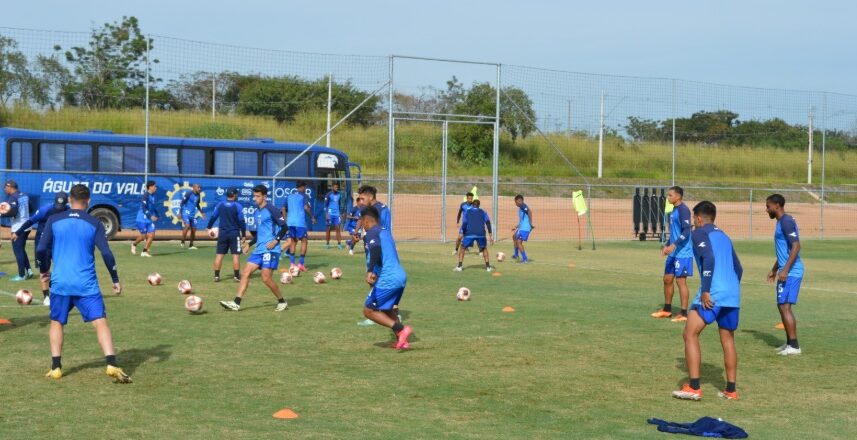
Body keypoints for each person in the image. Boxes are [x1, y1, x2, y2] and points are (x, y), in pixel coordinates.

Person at [36, 184, 131, 383]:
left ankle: (56, 367)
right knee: (100, 321)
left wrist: (43, 269)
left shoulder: (54, 220)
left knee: (57, 322)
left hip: (61, 282)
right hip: (86, 284)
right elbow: (106, 253)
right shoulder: (94, 222)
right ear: (88, 201)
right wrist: (115, 279)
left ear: (70, 200)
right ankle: (111, 363)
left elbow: (41, 248)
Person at [673, 201, 742, 401]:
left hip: (713, 293)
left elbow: (709, 258)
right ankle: (731, 389)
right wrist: (731, 289)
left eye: (694, 218)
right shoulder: (725, 236)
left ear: (699, 218)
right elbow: (739, 268)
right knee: (728, 339)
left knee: (690, 334)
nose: (693, 222)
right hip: (732, 294)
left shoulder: (699, 233)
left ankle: (694, 387)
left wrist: (706, 291)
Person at [220, 185, 289, 312]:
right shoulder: (257, 211)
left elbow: (284, 227)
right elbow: (261, 233)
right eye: (254, 196)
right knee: (245, 273)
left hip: (270, 250)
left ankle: (282, 301)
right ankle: (236, 303)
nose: (255, 198)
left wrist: (276, 241)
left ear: (264, 196)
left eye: (258, 196)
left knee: (266, 278)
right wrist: (249, 244)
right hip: (259, 250)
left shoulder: (272, 209)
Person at [360, 205, 412, 350]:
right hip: (400, 276)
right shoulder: (386, 232)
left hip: (389, 278)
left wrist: (370, 270)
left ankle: (401, 329)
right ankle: (402, 341)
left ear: (366, 221)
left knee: (368, 310)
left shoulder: (371, 232)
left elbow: (375, 249)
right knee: (387, 309)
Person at [765, 194, 804, 356]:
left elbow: (796, 246)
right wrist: (775, 269)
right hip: (785, 270)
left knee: (784, 306)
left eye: (768, 206)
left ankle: (794, 346)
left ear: (777, 205)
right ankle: (789, 343)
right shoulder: (781, 222)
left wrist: (786, 270)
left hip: (792, 272)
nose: (766, 209)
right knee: (782, 306)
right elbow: (784, 251)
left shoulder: (786, 221)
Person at [16, 191, 70, 305]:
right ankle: (46, 297)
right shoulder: (45, 210)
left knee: (62, 269)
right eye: (57, 206)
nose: (59, 209)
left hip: (59, 244)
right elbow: (31, 220)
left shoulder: (69, 211)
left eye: (62, 207)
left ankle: (55, 286)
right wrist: (18, 232)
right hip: (43, 244)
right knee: (44, 271)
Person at [652, 186, 694, 322]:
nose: (667, 197)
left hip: (683, 252)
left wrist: (674, 245)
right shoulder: (673, 210)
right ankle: (667, 310)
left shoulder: (683, 210)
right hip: (673, 252)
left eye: (670, 195)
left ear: (678, 197)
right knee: (667, 279)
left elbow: (686, 232)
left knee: (680, 281)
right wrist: (666, 245)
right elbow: (675, 232)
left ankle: (683, 313)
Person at [207, 188, 246, 282]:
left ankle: (216, 276)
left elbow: (213, 217)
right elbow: (241, 221)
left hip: (223, 234)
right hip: (234, 233)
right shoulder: (238, 206)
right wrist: (244, 235)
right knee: (235, 256)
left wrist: (209, 227)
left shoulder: (220, 204)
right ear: (235, 195)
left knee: (219, 255)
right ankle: (236, 276)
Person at [2, 180, 34, 281]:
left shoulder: (13, 197)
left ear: (10, 187)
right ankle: (29, 270)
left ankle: (21, 275)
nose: (4, 189)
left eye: (5, 187)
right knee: (21, 249)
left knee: (18, 251)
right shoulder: (24, 195)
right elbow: (31, 208)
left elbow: (14, 212)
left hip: (18, 228)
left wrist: (2, 213)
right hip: (27, 226)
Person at [283, 181, 316, 272]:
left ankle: (292, 265)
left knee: (293, 242)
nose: (305, 189)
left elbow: (283, 208)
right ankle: (301, 264)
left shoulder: (289, 196)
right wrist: (312, 217)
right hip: (299, 223)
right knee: (304, 241)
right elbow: (306, 208)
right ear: (302, 187)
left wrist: (286, 220)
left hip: (290, 223)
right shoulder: (303, 196)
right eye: (305, 187)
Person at [454, 199, 493, 272]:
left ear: (472, 205)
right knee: (484, 248)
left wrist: (463, 232)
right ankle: (488, 267)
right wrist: (490, 236)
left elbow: (465, 223)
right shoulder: (483, 212)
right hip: (481, 234)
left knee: (462, 247)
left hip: (469, 233)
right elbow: (488, 223)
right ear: (479, 205)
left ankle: (459, 267)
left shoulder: (467, 212)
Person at [132, 181, 158, 257]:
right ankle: (134, 244)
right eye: (154, 186)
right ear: (150, 187)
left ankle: (144, 251)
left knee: (152, 235)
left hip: (149, 219)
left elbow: (153, 207)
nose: (156, 188)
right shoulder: (145, 195)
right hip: (141, 219)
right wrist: (151, 215)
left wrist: (157, 215)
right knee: (143, 236)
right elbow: (143, 208)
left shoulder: (153, 195)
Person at [180, 183, 205, 250]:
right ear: (194, 188)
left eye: (200, 188)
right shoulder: (188, 194)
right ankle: (182, 241)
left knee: (194, 230)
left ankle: (191, 245)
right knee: (187, 226)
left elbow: (197, 204)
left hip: (192, 214)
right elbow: (182, 203)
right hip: (185, 213)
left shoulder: (198, 195)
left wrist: (202, 212)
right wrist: (180, 213)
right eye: (198, 187)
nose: (199, 189)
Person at [511, 195, 533, 263]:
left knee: (519, 242)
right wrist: (517, 226)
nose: (515, 203)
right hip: (522, 227)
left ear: (518, 201)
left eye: (515, 202)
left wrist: (530, 223)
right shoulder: (521, 207)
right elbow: (523, 219)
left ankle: (525, 259)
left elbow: (529, 212)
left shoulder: (522, 205)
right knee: (514, 236)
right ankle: (516, 254)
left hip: (525, 228)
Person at [323, 182, 344, 249]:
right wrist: (326, 214)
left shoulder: (339, 195)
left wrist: (340, 214)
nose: (336, 188)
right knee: (328, 228)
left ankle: (339, 244)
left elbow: (339, 204)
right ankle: (327, 243)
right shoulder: (328, 194)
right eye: (335, 187)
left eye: (337, 187)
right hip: (330, 214)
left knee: (338, 228)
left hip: (337, 214)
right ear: (332, 187)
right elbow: (325, 205)